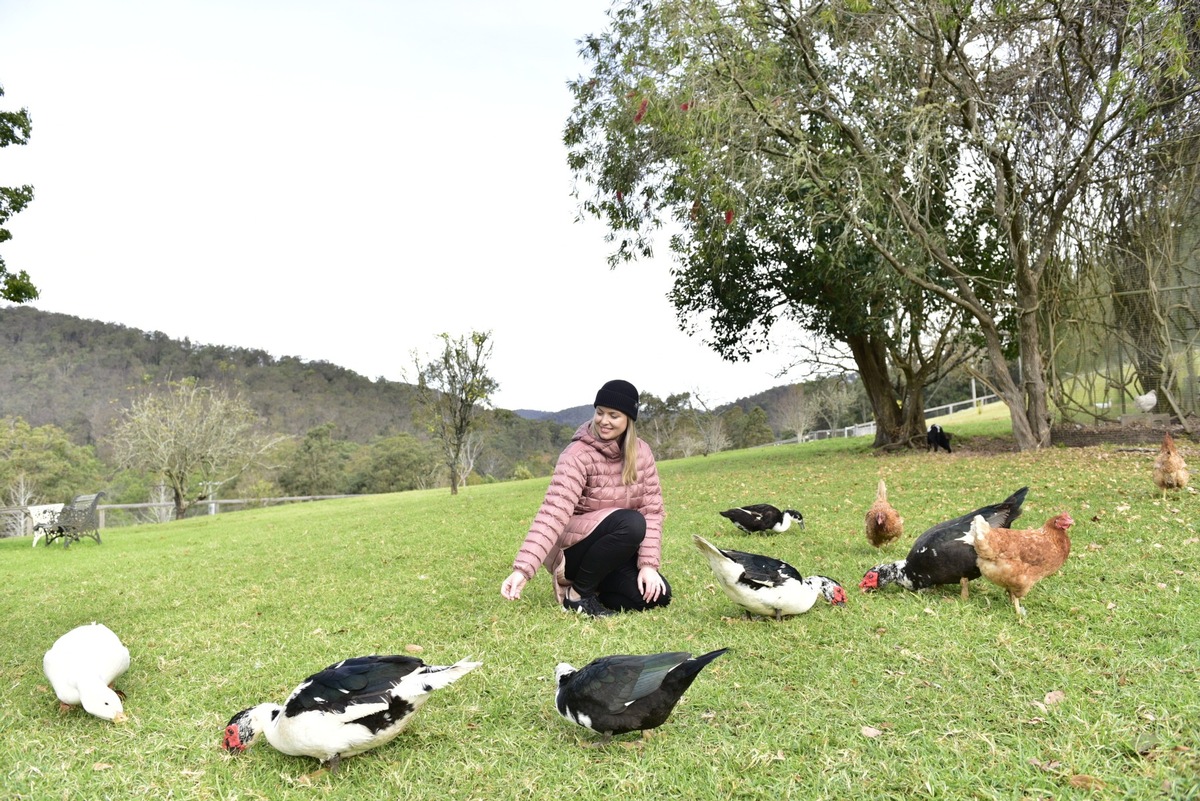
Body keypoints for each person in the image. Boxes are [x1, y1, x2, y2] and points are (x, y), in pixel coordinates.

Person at [500, 379, 671, 617]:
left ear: (628, 420)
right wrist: (523, 570)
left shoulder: (641, 452)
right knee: (631, 522)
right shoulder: (577, 454)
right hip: (574, 551)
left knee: (657, 596)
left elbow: (652, 511)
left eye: (614, 415)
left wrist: (648, 566)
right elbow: (553, 512)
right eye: (600, 413)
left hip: (614, 548)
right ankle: (577, 595)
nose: (604, 421)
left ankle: (597, 585)